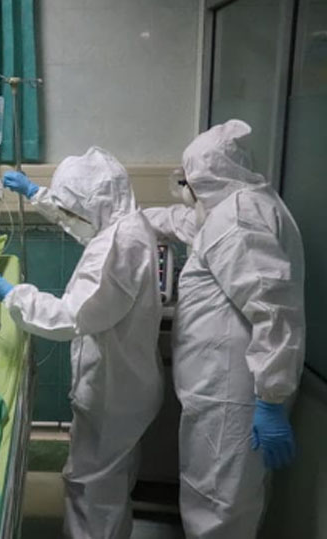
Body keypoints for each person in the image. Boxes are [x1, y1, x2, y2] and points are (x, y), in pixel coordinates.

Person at [0, 147, 163, 539]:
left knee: (91, 484)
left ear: (94, 201)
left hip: (113, 390)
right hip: (125, 384)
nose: (74, 213)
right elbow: (84, 225)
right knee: (109, 481)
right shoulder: (122, 224)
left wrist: (13, 296)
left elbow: (71, 317)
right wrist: (37, 195)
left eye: (74, 205)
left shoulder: (119, 246)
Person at [144, 119, 305, 538]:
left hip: (231, 394)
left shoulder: (236, 218)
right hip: (225, 389)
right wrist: (125, 217)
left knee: (218, 503)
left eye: (188, 181)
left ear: (205, 177)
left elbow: (273, 308)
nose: (185, 190)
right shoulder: (240, 207)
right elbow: (185, 223)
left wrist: (271, 397)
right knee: (226, 498)